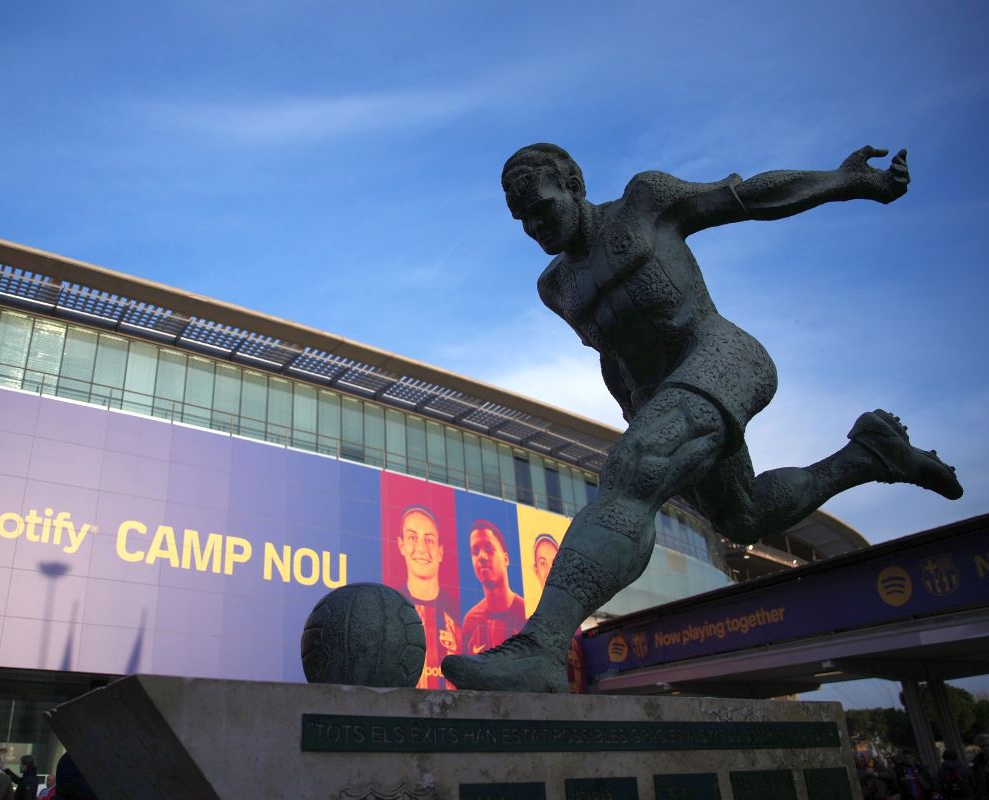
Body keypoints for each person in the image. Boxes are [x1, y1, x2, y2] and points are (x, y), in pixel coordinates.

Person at [442, 143, 963, 692]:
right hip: (664, 394)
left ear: (573, 187)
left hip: (723, 357)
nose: (534, 227)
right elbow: (614, 356)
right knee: (743, 515)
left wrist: (846, 180)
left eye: (542, 208)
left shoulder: (644, 202)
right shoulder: (556, 287)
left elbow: (748, 197)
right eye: (523, 220)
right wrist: (638, 414)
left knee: (633, 470)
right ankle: (869, 455)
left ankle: (541, 647)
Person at [393, 505, 460, 688]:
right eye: (412, 537)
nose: (421, 548)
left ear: (440, 551)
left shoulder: (458, 614)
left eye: (429, 540)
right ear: (401, 545)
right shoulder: (391, 607)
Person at [460, 520, 526, 654]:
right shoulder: (470, 622)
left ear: (506, 559)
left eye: (489, 549)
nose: (482, 556)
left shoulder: (526, 614)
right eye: (475, 551)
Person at [971, 734, 989, 800]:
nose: (986, 748)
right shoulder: (977, 762)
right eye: (982, 746)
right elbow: (976, 781)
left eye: (988, 745)